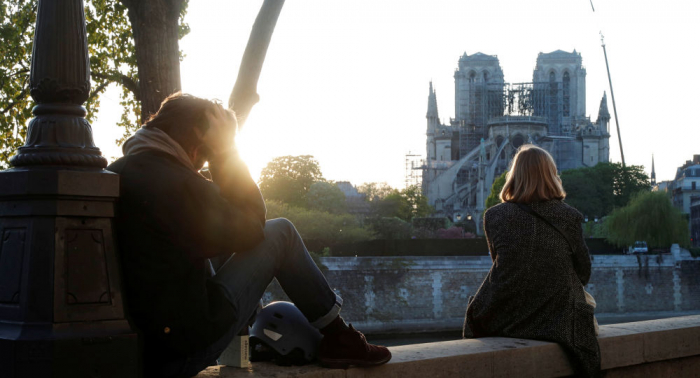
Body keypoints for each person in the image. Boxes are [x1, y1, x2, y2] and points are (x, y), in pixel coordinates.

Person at [107, 92, 391, 377]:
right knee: (281, 233)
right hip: (177, 352)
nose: (200, 165)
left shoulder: (116, 173)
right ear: (197, 137)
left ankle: (243, 344)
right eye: (205, 156)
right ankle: (341, 338)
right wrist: (226, 153)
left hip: (135, 350)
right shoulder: (179, 183)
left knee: (218, 243)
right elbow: (254, 226)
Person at [462, 145, 601, 377]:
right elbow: (583, 272)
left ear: (514, 176)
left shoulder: (494, 216)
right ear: (551, 175)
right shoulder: (570, 216)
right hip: (558, 318)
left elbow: (504, 263)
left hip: (503, 315)